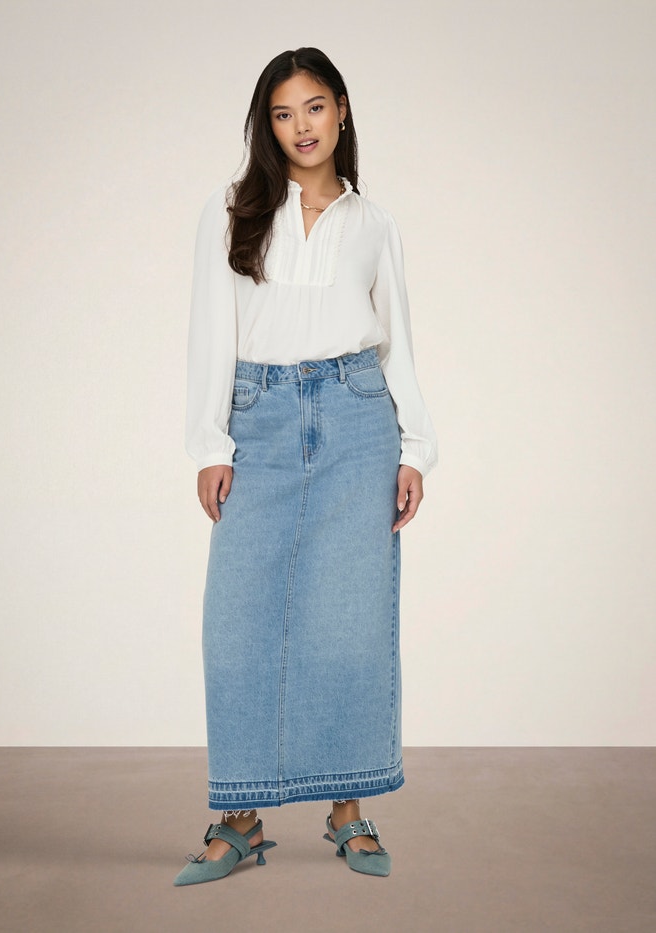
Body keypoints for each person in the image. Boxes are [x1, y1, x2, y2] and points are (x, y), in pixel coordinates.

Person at [175, 47, 437, 886]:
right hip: (261, 418)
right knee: (236, 623)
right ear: (268, 125)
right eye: (283, 114)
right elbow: (211, 331)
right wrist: (212, 444)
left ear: (342, 109)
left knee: (349, 623)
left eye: (314, 107)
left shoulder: (374, 224)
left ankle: (348, 810)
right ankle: (240, 818)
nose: (301, 127)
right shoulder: (232, 211)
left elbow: (396, 343)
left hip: (359, 420)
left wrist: (415, 448)